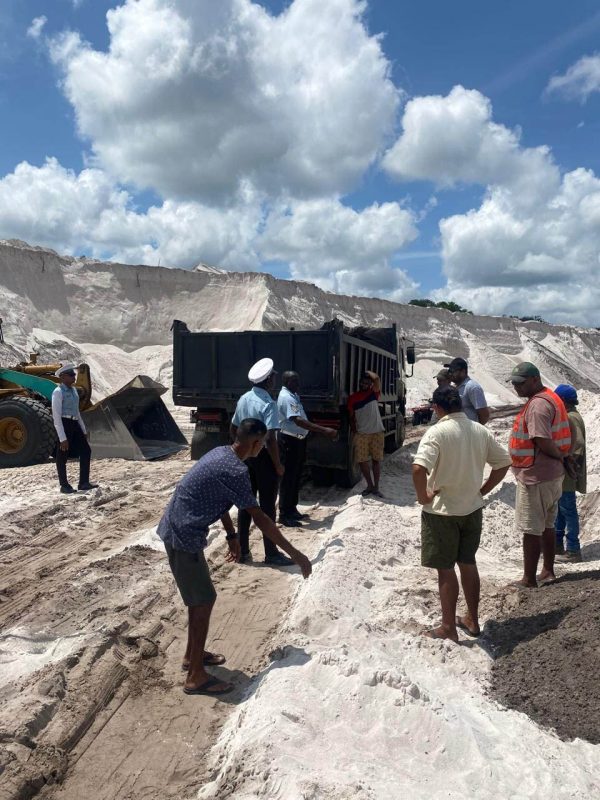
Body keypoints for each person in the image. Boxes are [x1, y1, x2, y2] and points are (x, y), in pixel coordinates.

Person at [157, 419, 312, 696]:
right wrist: (297, 555)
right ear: (254, 443)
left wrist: (232, 535)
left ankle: (192, 655)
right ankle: (195, 676)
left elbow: (216, 497)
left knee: (199, 598)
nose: (263, 448)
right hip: (184, 535)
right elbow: (262, 519)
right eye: (263, 444)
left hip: (177, 526)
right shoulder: (237, 470)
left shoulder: (220, 453)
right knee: (203, 600)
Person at [412, 386, 511, 641]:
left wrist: (423, 497)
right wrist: (483, 490)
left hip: (442, 512)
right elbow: (503, 463)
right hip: (472, 509)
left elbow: (418, 469)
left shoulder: (437, 432)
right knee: (468, 563)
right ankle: (472, 620)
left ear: (437, 407)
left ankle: (448, 628)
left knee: (445, 569)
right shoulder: (480, 430)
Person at [508, 362, 574, 588]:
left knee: (531, 528)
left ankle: (528, 579)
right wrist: (561, 458)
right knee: (547, 523)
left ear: (535, 380)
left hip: (537, 475)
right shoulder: (550, 397)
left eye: (521, 383)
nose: (516, 387)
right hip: (551, 474)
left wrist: (558, 455)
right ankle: (548, 571)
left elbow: (542, 440)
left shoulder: (537, 406)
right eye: (514, 383)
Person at [230, 358, 290, 566]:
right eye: (273, 376)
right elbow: (271, 439)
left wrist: (241, 451)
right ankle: (271, 553)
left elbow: (234, 428)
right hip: (263, 457)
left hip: (246, 456)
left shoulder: (244, 398)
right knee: (267, 507)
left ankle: (244, 551)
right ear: (268, 380)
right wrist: (278, 465)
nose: (274, 378)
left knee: (245, 504)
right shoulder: (268, 403)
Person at [277, 371, 337, 526]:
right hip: (289, 441)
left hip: (297, 441)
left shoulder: (293, 395)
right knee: (288, 478)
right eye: (295, 381)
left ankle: (292, 509)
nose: (298, 384)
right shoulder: (286, 397)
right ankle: (284, 514)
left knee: (296, 475)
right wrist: (325, 430)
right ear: (287, 382)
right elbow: (298, 421)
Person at [51, 364, 97, 494]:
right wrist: (62, 438)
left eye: (74, 375)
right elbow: (56, 416)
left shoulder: (74, 391)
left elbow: (77, 412)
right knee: (62, 456)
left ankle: (83, 483)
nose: (74, 377)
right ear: (63, 377)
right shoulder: (58, 392)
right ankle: (64, 485)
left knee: (86, 450)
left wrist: (83, 430)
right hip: (64, 424)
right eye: (71, 375)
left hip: (74, 423)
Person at [553, 384, 586, 563]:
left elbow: (577, 446)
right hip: (564, 472)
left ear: (563, 401)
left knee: (567, 509)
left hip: (567, 472)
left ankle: (573, 549)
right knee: (560, 510)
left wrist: (568, 462)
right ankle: (557, 544)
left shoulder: (571, 419)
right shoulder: (571, 416)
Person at [348, 370, 385, 497]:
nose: (364, 384)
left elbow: (377, 379)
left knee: (376, 460)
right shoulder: (352, 398)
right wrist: (354, 431)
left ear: (370, 385)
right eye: (362, 382)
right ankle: (369, 485)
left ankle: (376, 487)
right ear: (359, 384)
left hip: (377, 432)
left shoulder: (374, 394)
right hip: (362, 434)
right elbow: (351, 417)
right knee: (362, 461)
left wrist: (368, 372)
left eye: (366, 383)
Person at [444, 357, 490, 425]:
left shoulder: (472, 387)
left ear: (463, 371)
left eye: (453, 371)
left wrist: (475, 429)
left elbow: (484, 415)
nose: (451, 374)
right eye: (450, 371)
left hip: (470, 432)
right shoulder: (455, 387)